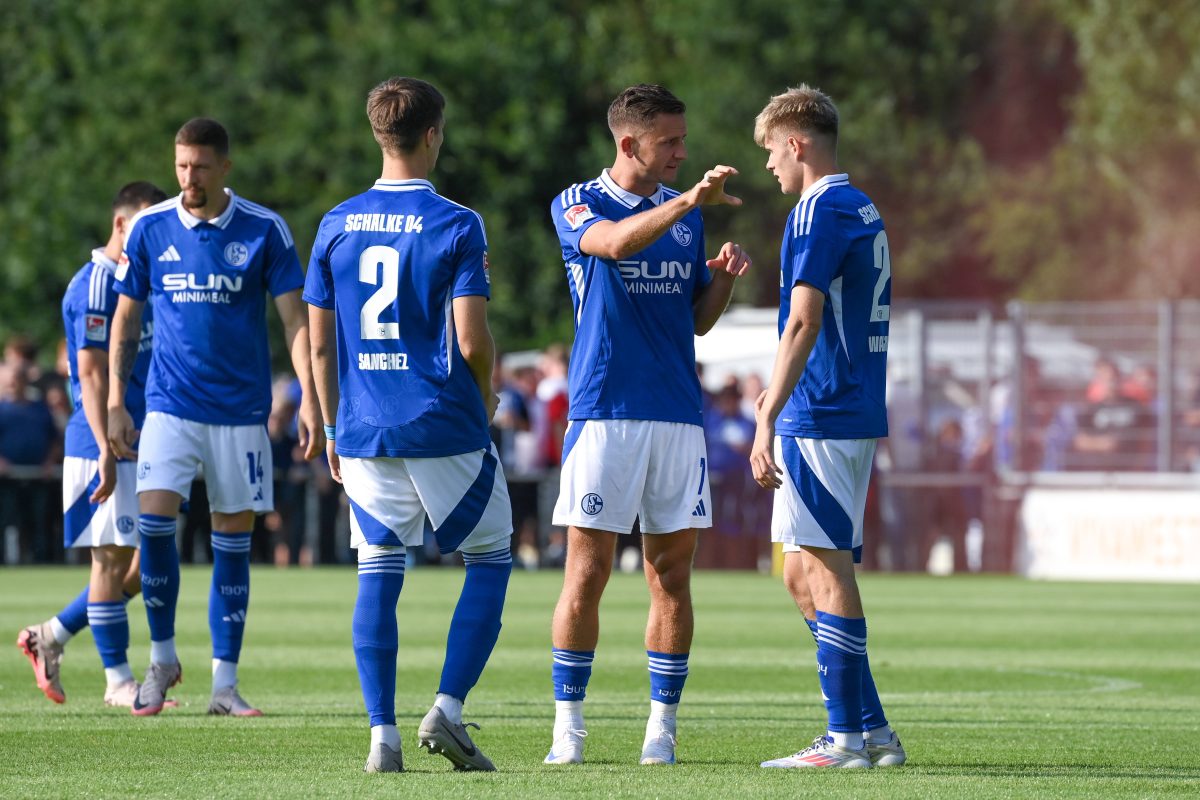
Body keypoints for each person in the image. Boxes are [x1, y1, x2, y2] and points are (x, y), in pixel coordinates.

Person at [304, 76, 514, 774]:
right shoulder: (457, 222)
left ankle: (381, 740)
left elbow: (317, 343)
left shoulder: (335, 222)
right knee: (489, 556)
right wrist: (484, 397)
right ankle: (448, 711)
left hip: (364, 429)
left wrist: (331, 427)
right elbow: (473, 339)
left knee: (378, 570)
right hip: (441, 421)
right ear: (433, 134)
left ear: (376, 134)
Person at [545, 84, 751, 767]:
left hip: (676, 418)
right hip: (604, 412)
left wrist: (720, 280)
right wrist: (690, 200)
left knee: (671, 575)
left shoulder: (684, 215)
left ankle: (661, 729)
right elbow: (608, 246)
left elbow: (691, 319)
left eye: (683, 140)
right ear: (629, 143)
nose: (682, 153)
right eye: (670, 142)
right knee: (588, 571)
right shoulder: (579, 202)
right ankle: (568, 729)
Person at [108, 118, 321, 717]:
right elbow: (126, 318)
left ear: (224, 167)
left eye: (200, 167)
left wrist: (308, 395)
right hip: (169, 409)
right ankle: (162, 659)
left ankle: (224, 685)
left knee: (233, 544)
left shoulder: (264, 229)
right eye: (180, 166)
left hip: (240, 414)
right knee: (154, 530)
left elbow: (295, 321)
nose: (188, 178)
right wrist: (117, 401)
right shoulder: (150, 227)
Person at [749, 84, 905, 769]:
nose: (768, 167)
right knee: (798, 572)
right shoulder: (859, 204)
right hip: (841, 406)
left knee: (827, 565)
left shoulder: (819, 208)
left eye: (770, 152)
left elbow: (805, 318)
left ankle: (845, 739)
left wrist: (766, 410)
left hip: (824, 408)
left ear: (797, 143)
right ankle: (871, 729)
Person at [15, 182, 168, 707]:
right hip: (105, 440)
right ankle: (118, 681)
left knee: (147, 561)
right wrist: (105, 443)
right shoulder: (97, 284)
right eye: (146, 223)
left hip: (143, 437)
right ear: (123, 224)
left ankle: (50, 635)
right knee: (109, 560)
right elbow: (89, 372)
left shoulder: (136, 277)